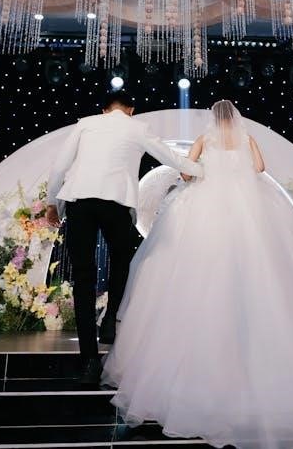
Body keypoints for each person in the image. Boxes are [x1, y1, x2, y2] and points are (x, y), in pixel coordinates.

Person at [102, 100, 293, 449]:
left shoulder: (204, 139)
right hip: (248, 211)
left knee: (198, 273)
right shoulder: (247, 139)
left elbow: (186, 173)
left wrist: (200, 174)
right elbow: (259, 168)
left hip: (207, 210)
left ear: (214, 119)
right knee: (260, 272)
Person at [46, 91, 202, 384]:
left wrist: (52, 202)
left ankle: (90, 361)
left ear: (104, 110)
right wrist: (204, 169)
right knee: (121, 262)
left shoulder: (86, 123)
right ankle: (110, 319)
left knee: (83, 277)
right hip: (116, 204)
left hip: (80, 202)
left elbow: (59, 166)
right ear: (131, 110)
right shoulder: (137, 127)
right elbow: (170, 157)